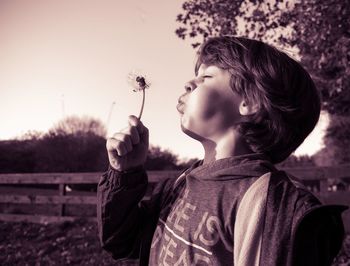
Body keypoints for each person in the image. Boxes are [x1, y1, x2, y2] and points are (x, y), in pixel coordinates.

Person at [97, 36, 347, 266]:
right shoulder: (177, 187)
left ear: (249, 102)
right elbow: (121, 242)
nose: (188, 83)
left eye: (206, 77)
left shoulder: (274, 209)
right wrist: (124, 174)